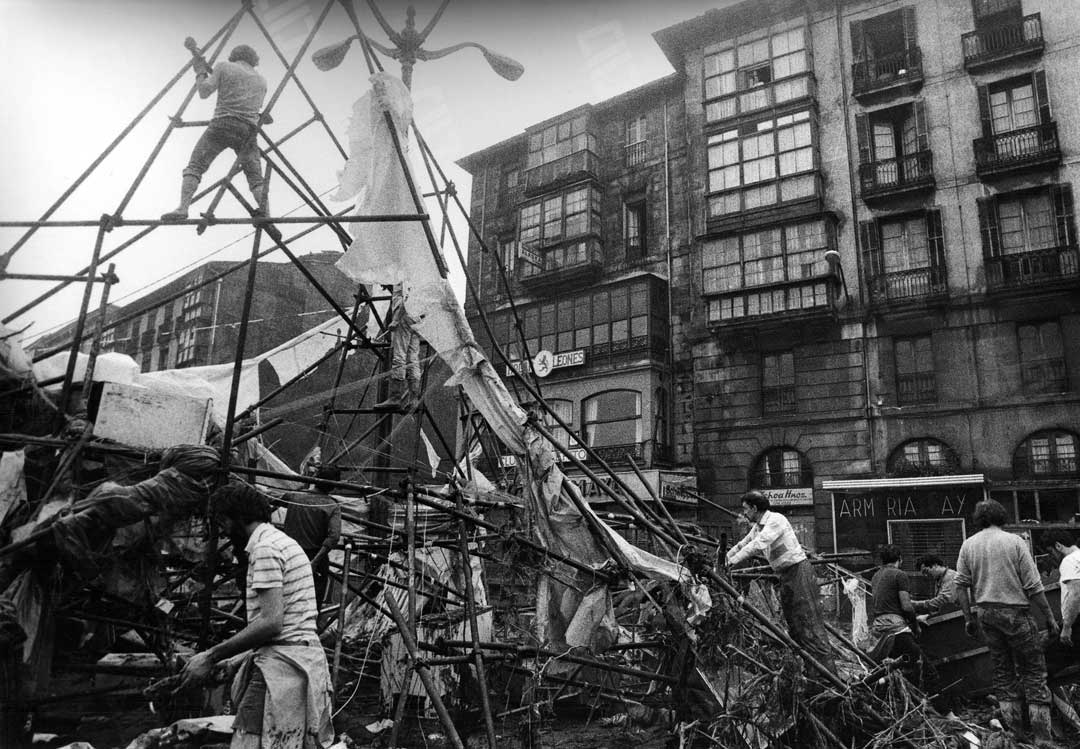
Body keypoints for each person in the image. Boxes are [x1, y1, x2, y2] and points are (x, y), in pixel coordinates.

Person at [180, 482, 333, 747]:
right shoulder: (280, 542)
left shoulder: (265, 549)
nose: (225, 530)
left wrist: (211, 655)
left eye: (224, 521)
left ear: (237, 517)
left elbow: (272, 623)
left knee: (250, 742)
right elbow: (290, 623)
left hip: (283, 668)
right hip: (296, 660)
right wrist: (237, 658)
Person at [955, 499, 1058, 746]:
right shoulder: (1015, 542)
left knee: (1003, 673)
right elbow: (1034, 586)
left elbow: (960, 586)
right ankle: (1043, 738)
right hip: (1016, 614)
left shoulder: (968, 545)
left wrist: (969, 618)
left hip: (986, 615)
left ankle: (1015, 735)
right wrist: (1050, 618)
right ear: (1001, 516)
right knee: (1033, 672)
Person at [726, 490, 838, 675]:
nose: (744, 513)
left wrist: (731, 562)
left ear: (755, 508)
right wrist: (724, 557)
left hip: (799, 573)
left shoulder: (775, 520)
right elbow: (743, 544)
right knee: (794, 626)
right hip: (786, 575)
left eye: (746, 509)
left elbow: (758, 545)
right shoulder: (758, 527)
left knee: (810, 626)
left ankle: (827, 677)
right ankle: (807, 673)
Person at [163, 44, 268, 222]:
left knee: (195, 166)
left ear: (234, 55)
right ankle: (266, 214)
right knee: (255, 178)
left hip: (222, 125)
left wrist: (200, 72)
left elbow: (204, 91)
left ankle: (183, 208)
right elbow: (256, 109)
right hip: (248, 132)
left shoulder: (224, 67)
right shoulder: (262, 80)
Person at [281, 464, 342, 606]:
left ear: (315, 478)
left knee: (286, 598)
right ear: (334, 485)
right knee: (311, 603)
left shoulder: (294, 496)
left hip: (288, 556)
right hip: (313, 557)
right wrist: (314, 562)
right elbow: (334, 537)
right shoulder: (332, 506)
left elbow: (270, 499)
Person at [869, 546, 923, 686]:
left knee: (897, 659)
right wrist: (915, 625)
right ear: (900, 559)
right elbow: (906, 606)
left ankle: (887, 683)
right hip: (895, 627)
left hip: (878, 627)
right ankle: (887, 681)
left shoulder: (876, 576)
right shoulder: (899, 575)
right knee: (914, 656)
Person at [373, 283, 422, 412]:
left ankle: (395, 397)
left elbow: (406, 296)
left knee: (399, 356)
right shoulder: (420, 270)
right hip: (417, 317)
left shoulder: (402, 272)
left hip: (404, 316)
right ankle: (414, 399)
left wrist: (396, 319)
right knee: (413, 359)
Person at [1041, 529, 1080, 647]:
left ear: (1058, 546)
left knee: (1051, 658)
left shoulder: (1069, 560)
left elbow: (1076, 595)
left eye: (1051, 552)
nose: (1051, 557)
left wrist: (1067, 627)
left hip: (1076, 620)